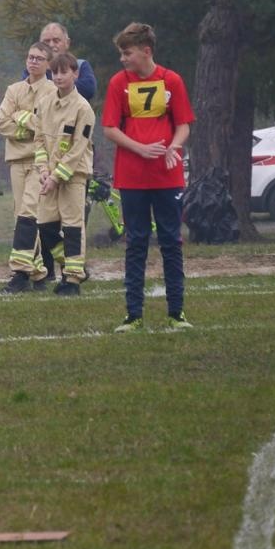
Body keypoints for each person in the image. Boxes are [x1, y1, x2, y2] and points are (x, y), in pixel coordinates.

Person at [102, 22, 195, 331]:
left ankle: (177, 313)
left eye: (127, 53)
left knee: (171, 241)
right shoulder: (118, 83)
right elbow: (110, 128)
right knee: (136, 242)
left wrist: (174, 146)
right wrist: (140, 149)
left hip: (167, 176)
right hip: (131, 177)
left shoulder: (172, 80)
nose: (123, 59)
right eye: (121, 53)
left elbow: (183, 123)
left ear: (146, 51)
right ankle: (133, 315)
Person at [34, 53, 95, 296]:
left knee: (72, 226)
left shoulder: (83, 108)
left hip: (73, 175)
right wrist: (43, 170)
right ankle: (74, 267)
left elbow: (77, 150)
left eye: (64, 72)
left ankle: (72, 280)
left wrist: (56, 177)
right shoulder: (46, 103)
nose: (58, 77)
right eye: (55, 72)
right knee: (44, 224)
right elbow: (38, 139)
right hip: (49, 175)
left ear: (75, 74)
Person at [0, 41, 56, 293]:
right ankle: (39, 274)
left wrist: (20, 117)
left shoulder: (52, 91)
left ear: (48, 64)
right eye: (30, 57)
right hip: (16, 161)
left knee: (29, 214)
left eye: (39, 58)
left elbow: (49, 126)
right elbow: (2, 124)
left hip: (40, 162)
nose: (33, 62)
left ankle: (20, 274)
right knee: (20, 216)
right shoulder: (14, 90)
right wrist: (30, 124)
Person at [38, 22, 97, 102]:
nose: (51, 45)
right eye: (46, 41)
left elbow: (88, 90)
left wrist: (46, 87)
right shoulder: (34, 68)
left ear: (67, 43)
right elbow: (29, 94)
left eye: (56, 41)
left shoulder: (80, 65)